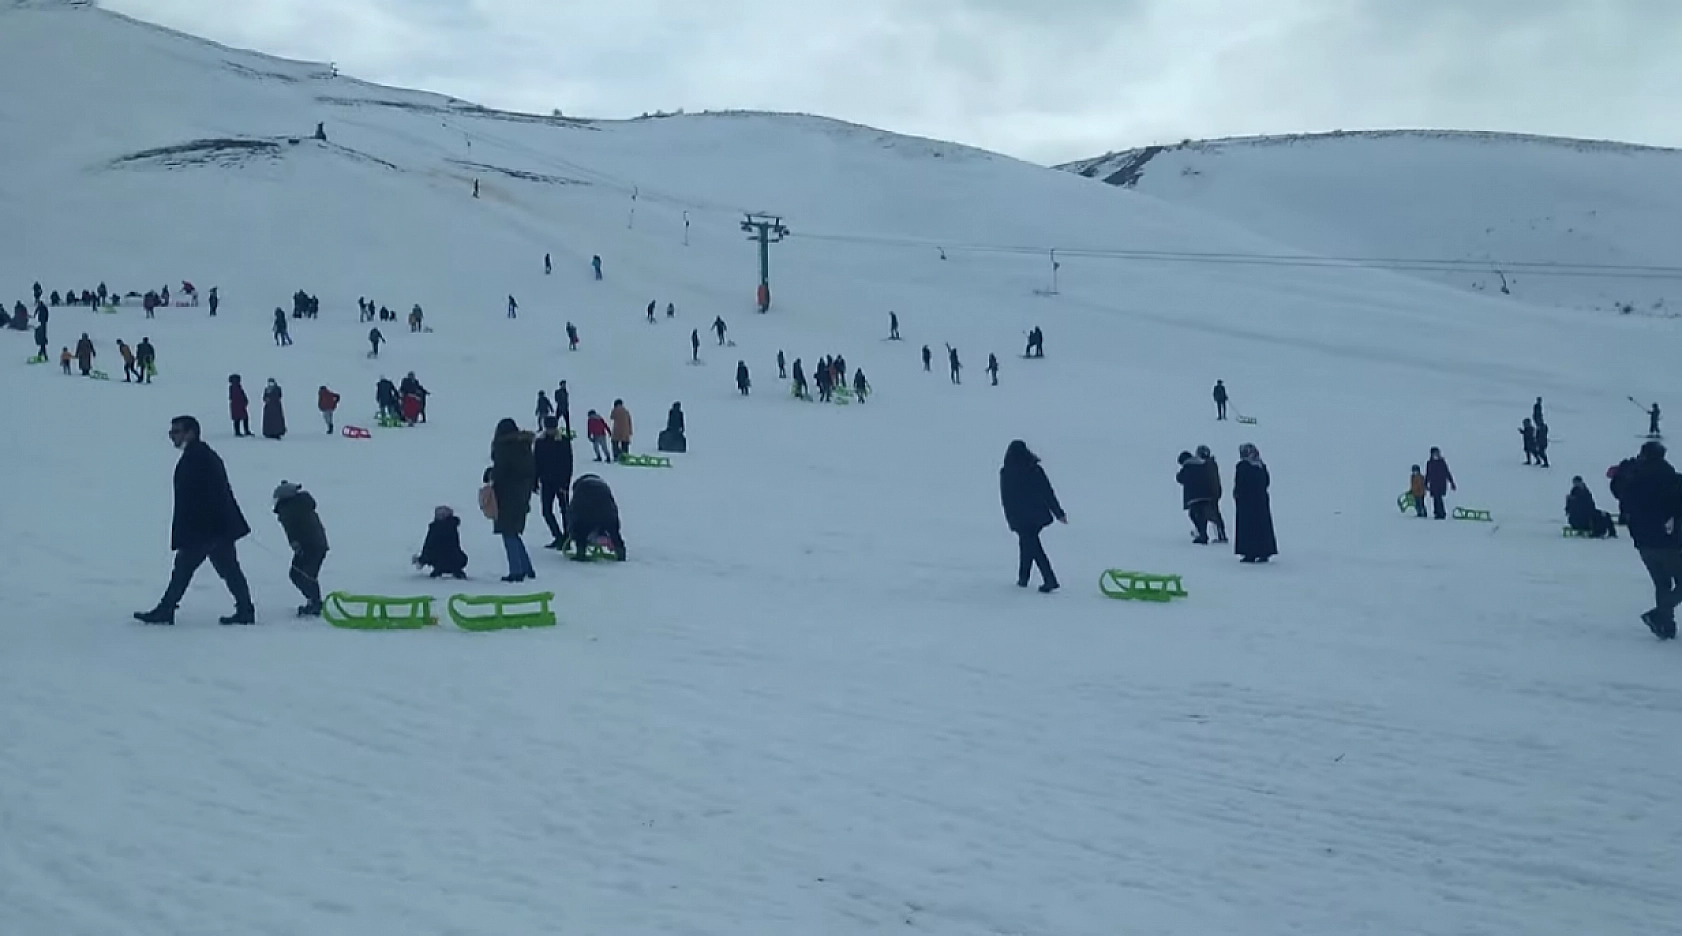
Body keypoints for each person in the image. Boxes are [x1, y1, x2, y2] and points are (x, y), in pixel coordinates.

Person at [133, 415, 256, 625]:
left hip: (204, 529)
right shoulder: (200, 455)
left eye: (176, 432)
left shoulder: (198, 457)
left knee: (184, 569)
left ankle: (166, 610)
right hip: (215, 528)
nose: (172, 436)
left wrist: (201, 528)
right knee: (228, 569)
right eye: (171, 432)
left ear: (190, 433)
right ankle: (245, 610)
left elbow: (207, 496)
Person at [1615, 440, 1682, 638]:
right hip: (1668, 541)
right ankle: (1660, 614)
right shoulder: (1671, 478)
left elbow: (1620, 497)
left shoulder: (1633, 480)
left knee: (1662, 584)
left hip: (1643, 542)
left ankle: (1666, 626)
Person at [999, 440, 1066, 593]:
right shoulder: (1034, 469)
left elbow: (1006, 499)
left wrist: (1010, 518)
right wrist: (1058, 513)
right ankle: (1023, 578)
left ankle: (1050, 579)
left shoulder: (1007, 472)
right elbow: (1047, 492)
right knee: (1027, 545)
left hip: (1020, 517)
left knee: (1032, 547)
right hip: (1037, 516)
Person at [489, 418, 537, 582]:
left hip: (507, 496)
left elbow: (501, 473)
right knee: (514, 532)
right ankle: (526, 567)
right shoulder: (524, 447)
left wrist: (490, 475)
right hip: (522, 495)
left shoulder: (504, 448)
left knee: (508, 533)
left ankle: (516, 571)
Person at [272, 481, 328, 616]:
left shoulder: (289, 510)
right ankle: (314, 601)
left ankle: (315, 603)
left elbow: (292, 530)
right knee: (306, 575)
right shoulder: (301, 505)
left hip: (309, 547)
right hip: (318, 545)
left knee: (300, 575)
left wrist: (296, 545)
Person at [534, 417, 574, 549]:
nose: (550, 430)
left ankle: (568, 537)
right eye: (548, 428)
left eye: (552, 428)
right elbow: (536, 462)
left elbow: (568, 464)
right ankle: (558, 536)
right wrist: (535, 480)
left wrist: (566, 484)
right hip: (546, 481)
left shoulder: (563, 441)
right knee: (546, 511)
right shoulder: (540, 442)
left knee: (565, 510)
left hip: (561, 482)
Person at [1233, 443, 1277, 563]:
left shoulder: (1243, 466)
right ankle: (1264, 551)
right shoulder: (1261, 466)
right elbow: (1266, 482)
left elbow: (1240, 484)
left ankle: (1249, 552)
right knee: (1262, 527)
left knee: (1248, 528)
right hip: (1261, 502)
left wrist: (1237, 495)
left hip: (1246, 503)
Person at [567, 474, 626, 561]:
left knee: (579, 529)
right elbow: (613, 507)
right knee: (613, 530)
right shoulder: (604, 488)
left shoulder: (579, 491)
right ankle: (620, 551)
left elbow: (573, 512)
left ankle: (581, 552)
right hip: (607, 513)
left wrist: (571, 530)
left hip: (586, 514)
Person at [414, 506, 469, 578]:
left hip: (438, 561)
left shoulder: (435, 528)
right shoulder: (452, 526)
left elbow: (428, 546)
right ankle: (456, 571)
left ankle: (439, 570)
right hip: (455, 561)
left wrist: (422, 560)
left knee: (437, 554)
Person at [1176, 450, 1217, 544]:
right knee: (1203, 515)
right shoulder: (1202, 465)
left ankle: (1202, 535)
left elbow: (1180, 478)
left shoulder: (1187, 466)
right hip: (1206, 494)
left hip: (1194, 496)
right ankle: (1203, 534)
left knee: (1194, 515)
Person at [1197, 444, 1228, 543]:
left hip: (1209, 493)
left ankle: (1220, 535)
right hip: (1213, 492)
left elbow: (1211, 480)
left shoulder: (1206, 465)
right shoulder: (1211, 464)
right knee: (1211, 514)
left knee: (1211, 515)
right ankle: (1218, 534)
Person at [1424, 447, 1456, 519]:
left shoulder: (1442, 462)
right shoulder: (1429, 463)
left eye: (1437, 453)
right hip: (1433, 484)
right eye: (1434, 454)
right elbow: (1428, 474)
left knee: (1439, 498)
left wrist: (1452, 483)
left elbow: (1447, 472)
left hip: (1441, 483)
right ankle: (1437, 512)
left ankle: (1441, 513)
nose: (1436, 455)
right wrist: (1425, 484)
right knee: (1435, 498)